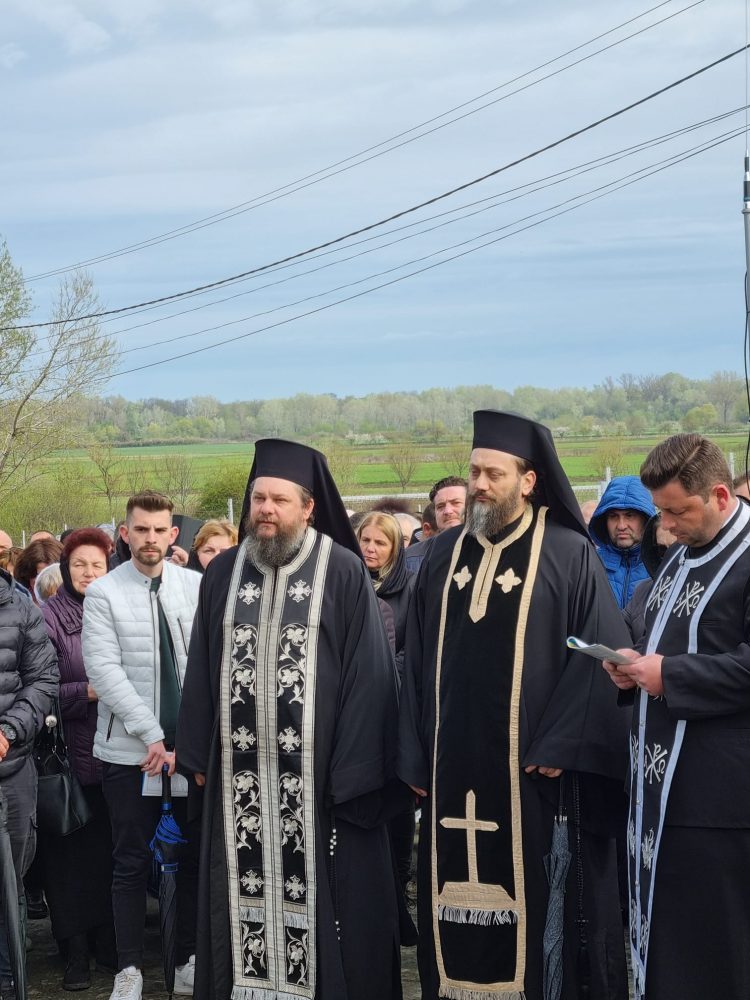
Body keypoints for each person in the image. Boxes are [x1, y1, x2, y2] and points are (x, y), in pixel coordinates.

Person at [398, 410, 631, 1000]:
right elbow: (415, 657)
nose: (478, 484)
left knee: (538, 908)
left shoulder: (567, 553)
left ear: (528, 480)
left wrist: (561, 744)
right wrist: (415, 752)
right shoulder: (442, 557)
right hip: (449, 770)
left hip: (531, 771)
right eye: (474, 471)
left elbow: (595, 650)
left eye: (492, 473)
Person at [176, 438, 403, 1000]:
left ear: (308, 507)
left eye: (279, 500)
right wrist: (197, 757)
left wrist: (352, 774)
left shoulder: (343, 570)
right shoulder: (224, 571)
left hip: (319, 781)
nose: (266, 510)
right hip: (239, 783)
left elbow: (369, 677)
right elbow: (202, 664)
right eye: (258, 499)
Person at [602, 434, 750, 1000]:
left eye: (676, 511)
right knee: (669, 945)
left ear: (717, 493)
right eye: (659, 511)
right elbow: (657, 640)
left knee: (714, 949)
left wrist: (672, 677)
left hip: (719, 802)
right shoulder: (680, 556)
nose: (664, 524)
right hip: (658, 792)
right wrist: (632, 668)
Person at [82, 492, 201, 1000]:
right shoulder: (104, 593)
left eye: (160, 530)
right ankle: (129, 968)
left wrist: (187, 741)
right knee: (130, 862)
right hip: (130, 755)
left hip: (189, 753)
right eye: (141, 529)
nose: (150, 539)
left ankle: (187, 960)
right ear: (124, 533)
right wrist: (151, 734)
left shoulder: (197, 586)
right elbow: (104, 672)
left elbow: (207, 666)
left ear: (173, 534)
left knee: (192, 860)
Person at [39, 528, 116, 991]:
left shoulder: (118, 609)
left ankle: (109, 941)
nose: (88, 573)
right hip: (67, 760)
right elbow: (38, 687)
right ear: (65, 568)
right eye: (79, 565)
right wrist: (85, 692)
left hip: (114, 757)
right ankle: (75, 952)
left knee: (111, 856)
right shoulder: (47, 618)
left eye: (97, 565)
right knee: (68, 860)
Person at [0, 558, 58, 1000]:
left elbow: (42, 679)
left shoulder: (20, 609)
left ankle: (9, 979)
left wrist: (9, 730)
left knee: (10, 880)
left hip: (12, 768)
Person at [588, 475, 656, 608]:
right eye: (613, 516)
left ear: (646, 519)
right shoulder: (589, 565)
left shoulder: (662, 565)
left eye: (629, 516)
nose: (621, 526)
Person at [405, 478, 467, 575]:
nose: (447, 511)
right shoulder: (411, 559)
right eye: (440, 506)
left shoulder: (491, 551)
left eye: (456, 503)